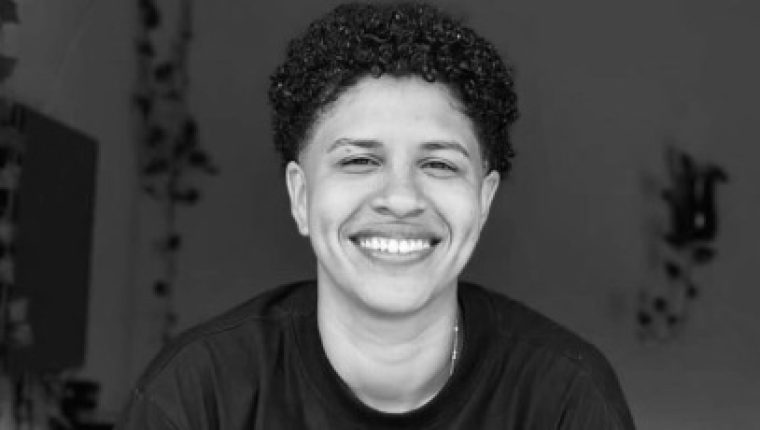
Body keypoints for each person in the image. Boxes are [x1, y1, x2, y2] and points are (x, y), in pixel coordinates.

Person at [117, 2, 636, 429]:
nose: (401, 198)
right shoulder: (197, 395)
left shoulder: (566, 399)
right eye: (360, 161)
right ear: (300, 196)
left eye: (439, 164)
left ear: (483, 201)